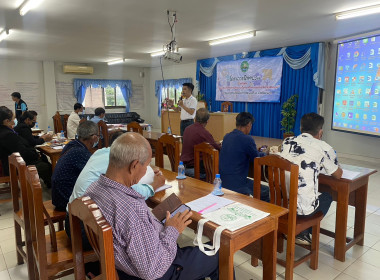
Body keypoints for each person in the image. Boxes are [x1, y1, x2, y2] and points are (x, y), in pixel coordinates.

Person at [84, 132, 219, 280]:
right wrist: (173, 230)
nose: (146, 172)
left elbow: (130, 230)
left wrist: (151, 221)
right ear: (134, 165)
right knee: (220, 253)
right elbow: (152, 270)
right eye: (146, 166)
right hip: (158, 271)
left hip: (123, 266)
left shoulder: (93, 189)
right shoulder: (131, 208)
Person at [64, 131, 158, 251]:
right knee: (132, 238)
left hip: (73, 218)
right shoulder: (114, 162)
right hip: (83, 229)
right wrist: (154, 185)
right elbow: (132, 191)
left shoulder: (100, 153)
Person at [278, 112, 342, 245]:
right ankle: (303, 230)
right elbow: (337, 174)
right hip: (303, 210)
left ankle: (298, 229)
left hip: (283, 203)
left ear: (300, 129)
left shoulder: (287, 141)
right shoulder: (322, 147)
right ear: (320, 132)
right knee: (327, 196)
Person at [219, 112, 269, 201]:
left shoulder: (226, 136)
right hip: (237, 185)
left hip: (223, 182)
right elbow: (256, 159)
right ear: (249, 125)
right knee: (266, 191)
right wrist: (265, 153)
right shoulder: (247, 139)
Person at [51, 121, 98, 211]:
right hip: (65, 199)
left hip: (58, 195)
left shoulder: (71, 145)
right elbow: (95, 175)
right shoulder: (81, 152)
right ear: (94, 137)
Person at [0, 106, 52, 187]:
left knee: (43, 159)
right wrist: (36, 155)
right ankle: (53, 185)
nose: (14, 122)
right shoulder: (8, 135)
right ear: (6, 121)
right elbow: (23, 152)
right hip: (15, 167)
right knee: (46, 166)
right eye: (13, 119)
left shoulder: (6, 131)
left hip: (12, 162)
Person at [180, 108, 221, 177]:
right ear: (207, 121)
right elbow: (217, 149)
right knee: (219, 170)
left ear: (195, 118)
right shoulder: (204, 132)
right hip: (195, 170)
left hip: (182, 167)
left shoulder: (187, 129)